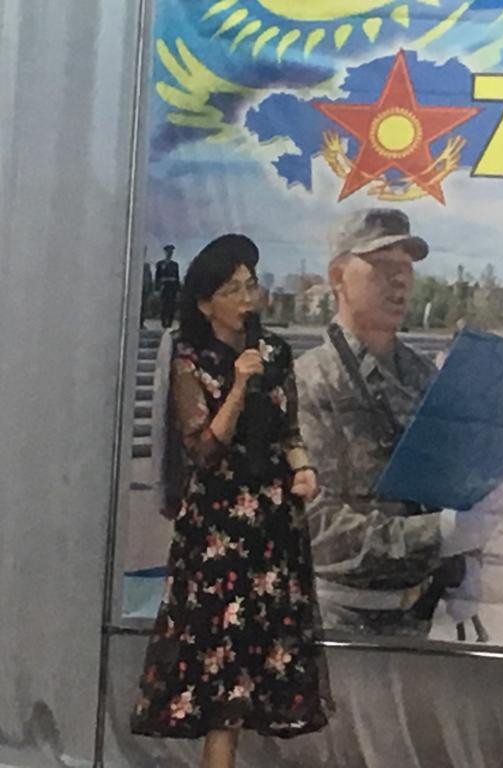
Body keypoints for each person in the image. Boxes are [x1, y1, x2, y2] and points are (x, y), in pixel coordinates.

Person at [131, 235, 331, 767]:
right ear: (205, 303)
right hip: (219, 528)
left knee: (258, 665)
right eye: (233, 290)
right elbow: (203, 449)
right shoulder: (191, 359)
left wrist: (303, 468)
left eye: (251, 285)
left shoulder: (275, 352)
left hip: (272, 524)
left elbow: (288, 430)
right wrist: (239, 386)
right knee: (219, 669)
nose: (248, 298)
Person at [295, 208, 470, 635]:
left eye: (406, 268)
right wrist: (437, 532)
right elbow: (315, 523)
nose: (400, 281)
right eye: (382, 265)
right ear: (338, 276)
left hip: (419, 614)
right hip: (339, 619)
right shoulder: (309, 380)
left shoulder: (422, 375)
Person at [156, 244, 182, 329]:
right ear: (165, 252)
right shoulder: (160, 264)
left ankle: (169, 323)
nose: (170, 253)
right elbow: (157, 277)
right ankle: (163, 323)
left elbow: (177, 277)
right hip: (164, 287)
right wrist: (157, 289)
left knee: (171, 306)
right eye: (168, 252)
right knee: (164, 305)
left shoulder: (175, 265)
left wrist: (178, 290)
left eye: (171, 252)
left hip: (172, 288)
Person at [141, 259, 154, 328]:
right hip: (139, 289)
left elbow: (149, 278)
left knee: (144, 306)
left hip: (145, 289)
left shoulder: (147, 266)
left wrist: (151, 290)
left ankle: (141, 322)